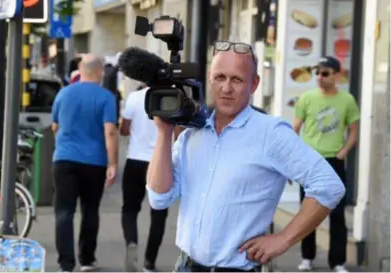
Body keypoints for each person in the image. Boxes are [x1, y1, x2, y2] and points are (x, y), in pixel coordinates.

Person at [145, 41, 346, 272]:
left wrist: (283, 239)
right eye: (220, 77)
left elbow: (329, 186)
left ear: (254, 84)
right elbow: (159, 199)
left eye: (237, 79)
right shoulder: (192, 132)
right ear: (209, 77)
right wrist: (164, 132)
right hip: (185, 266)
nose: (226, 88)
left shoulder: (271, 133)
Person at [51, 54, 119, 272]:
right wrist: (113, 163)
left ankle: (65, 263)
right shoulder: (106, 97)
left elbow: (54, 126)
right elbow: (110, 131)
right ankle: (87, 259)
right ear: (99, 72)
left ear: (80, 71)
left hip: (64, 160)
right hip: (94, 162)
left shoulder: (63, 93)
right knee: (90, 209)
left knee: (64, 212)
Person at [293, 56, 360, 272]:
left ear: (337, 75)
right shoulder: (306, 98)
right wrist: (295, 156)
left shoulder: (347, 100)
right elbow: (294, 129)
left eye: (325, 73)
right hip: (310, 162)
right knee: (308, 212)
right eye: (317, 73)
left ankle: (338, 262)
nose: (320, 77)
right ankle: (307, 257)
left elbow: (354, 132)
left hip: (334, 161)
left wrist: (343, 152)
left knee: (338, 213)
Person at [119, 84, 168, 272]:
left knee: (130, 210)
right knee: (159, 213)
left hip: (135, 161)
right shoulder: (170, 97)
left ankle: (131, 241)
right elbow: (179, 132)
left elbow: (124, 129)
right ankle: (150, 261)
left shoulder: (134, 97)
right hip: (160, 162)